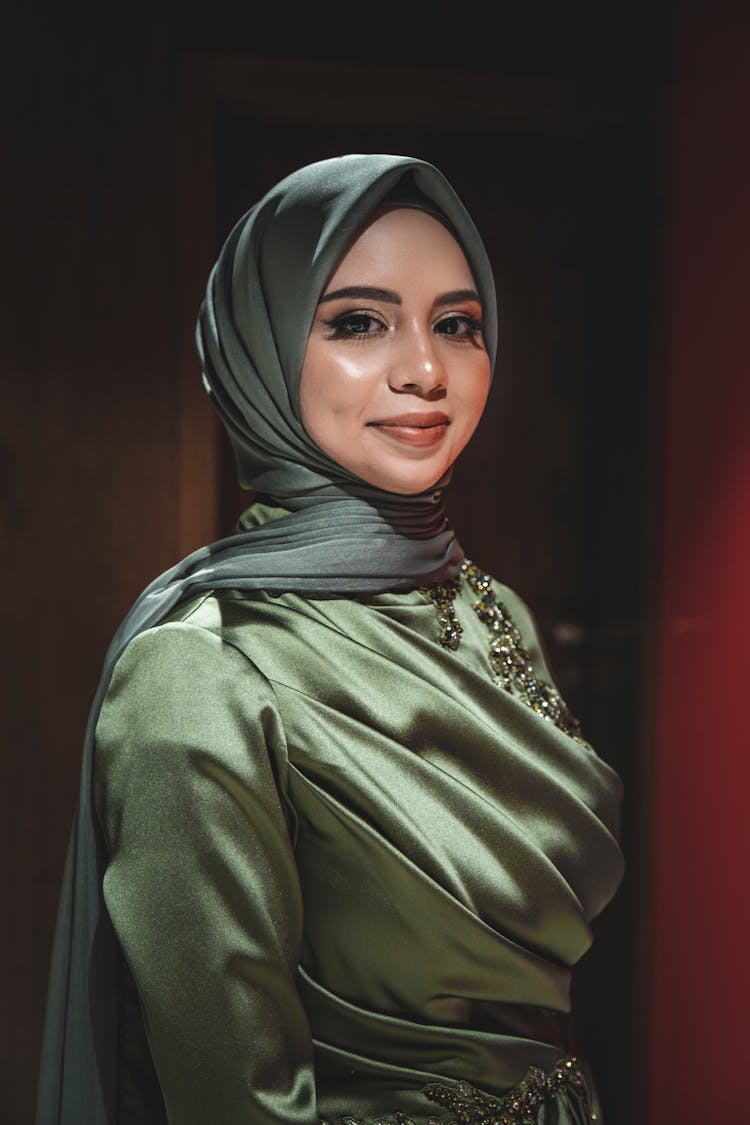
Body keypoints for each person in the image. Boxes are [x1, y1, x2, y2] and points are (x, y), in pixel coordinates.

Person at [36, 154, 624, 1125]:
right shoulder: (203, 668)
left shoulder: (495, 611)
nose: (425, 370)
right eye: (359, 321)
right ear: (258, 350)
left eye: (457, 324)